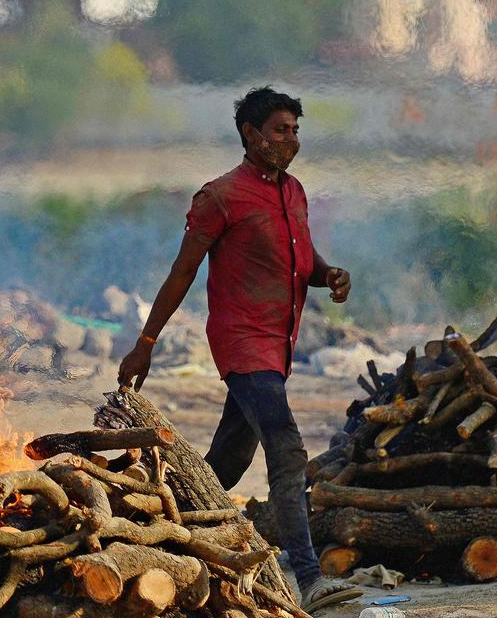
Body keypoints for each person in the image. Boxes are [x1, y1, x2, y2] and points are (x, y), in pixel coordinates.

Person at [117, 86, 363, 612]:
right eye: (280, 130)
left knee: (222, 467)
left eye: (295, 130)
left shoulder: (294, 191)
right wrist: (145, 343)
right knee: (287, 447)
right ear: (250, 135)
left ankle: (148, 535)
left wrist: (330, 275)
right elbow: (183, 271)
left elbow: (302, 259)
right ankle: (310, 578)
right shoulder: (220, 196)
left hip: (278, 347)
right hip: (242, 342)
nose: (290, 140)